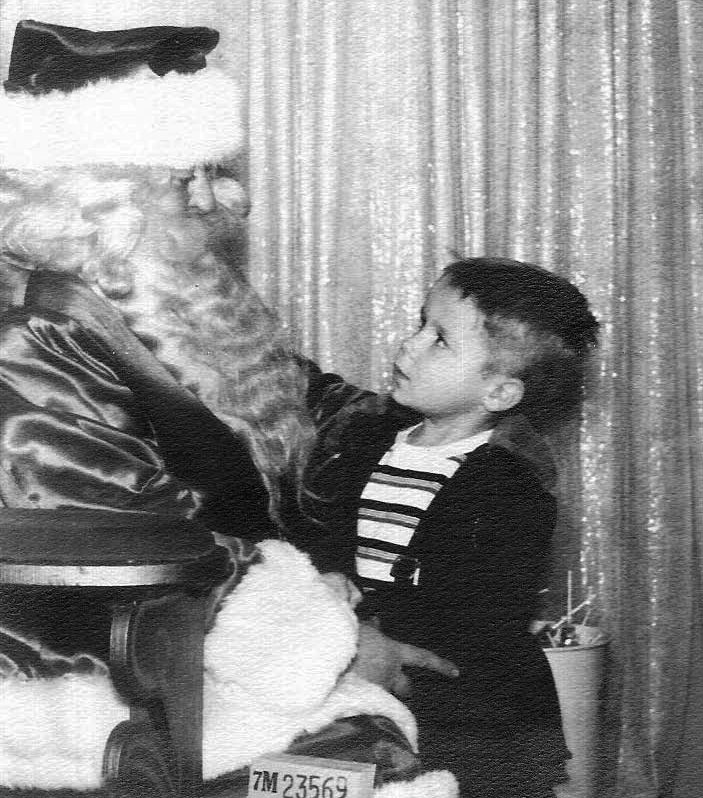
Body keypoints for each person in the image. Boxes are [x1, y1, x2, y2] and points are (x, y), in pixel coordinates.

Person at [289, 256, 600, 797]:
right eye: (420, 324)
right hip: (366, 671)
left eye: (439, 340)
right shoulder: (366, 439)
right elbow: (331, 529)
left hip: (468, 704)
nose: (409, 345)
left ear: (499, 393)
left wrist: (374, 640)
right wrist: (330, 581)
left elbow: (480, 611)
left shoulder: (511, 486)